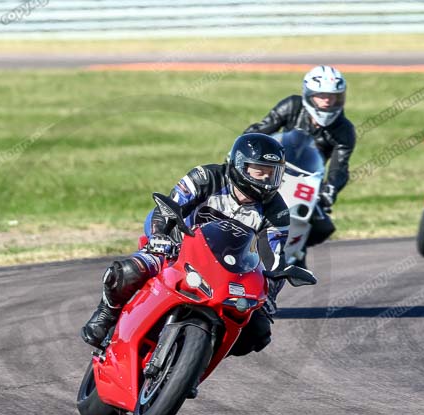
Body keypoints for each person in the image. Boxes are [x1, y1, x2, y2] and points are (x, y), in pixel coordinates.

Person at [81, 133, 291, 361]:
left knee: (257, 331)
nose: (266, 179)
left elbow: (274, 257)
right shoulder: (206, 176)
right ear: (240, 165)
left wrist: (269, 293)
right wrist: (160, 237)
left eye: (272, 173)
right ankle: (106, 314)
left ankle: (196, 363)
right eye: (259, 171)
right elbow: (168, 207)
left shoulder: (276, 211)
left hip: (225, 273)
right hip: (176, 249)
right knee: (129, 271)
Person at [244, 65, 356, 265]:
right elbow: (263, 128)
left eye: (333, 96)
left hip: (309, 180)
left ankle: (296, 252)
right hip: (273, 168)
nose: (327, 101)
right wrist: (245, 146)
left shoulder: (345, 130)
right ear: (310, 94)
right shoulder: (292, 105)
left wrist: (330, 190)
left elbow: (340, 168)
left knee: (323, 227)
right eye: (321, 95)